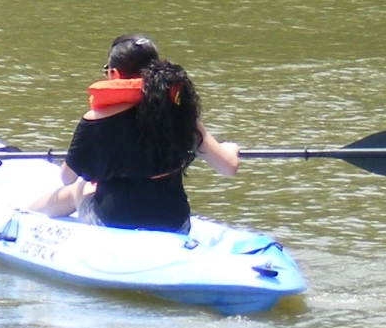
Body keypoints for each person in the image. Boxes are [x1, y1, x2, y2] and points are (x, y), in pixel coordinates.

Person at [35, 33, 241, 231]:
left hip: (113, 223)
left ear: (114, 75)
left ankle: (23, 214)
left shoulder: (95, 119)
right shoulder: (180, 115)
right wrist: (230, 149)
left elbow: (67, 178)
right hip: (175, 225)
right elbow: (228, 168)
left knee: (78, 187)